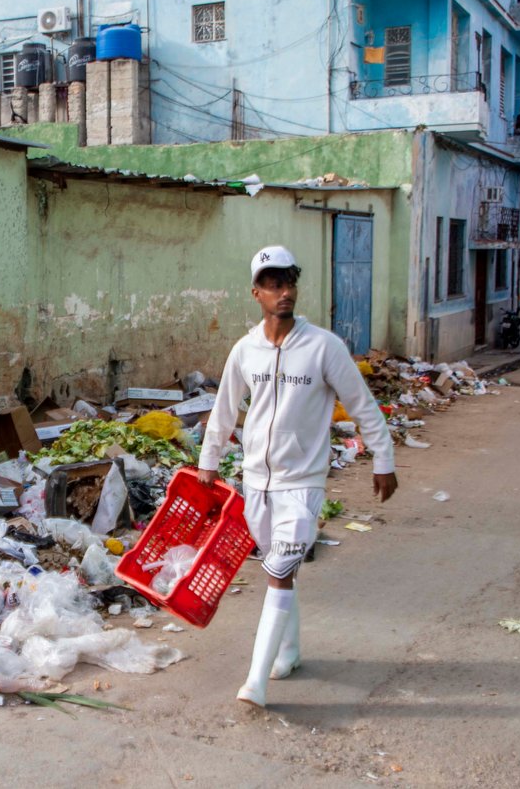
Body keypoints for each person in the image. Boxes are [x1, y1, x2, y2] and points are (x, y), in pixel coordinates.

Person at [198, 245, 398, 709]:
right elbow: (225, 409)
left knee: (279, 572)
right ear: (256, 292)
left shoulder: (324, 346)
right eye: (273, 284)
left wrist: (383, 459)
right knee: (277, 570)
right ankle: (288, 653)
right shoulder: (245, 350)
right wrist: (209, 461)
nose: (284, 291)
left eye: (290, 282)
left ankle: (256, 683)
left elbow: (363, 405)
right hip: (255, 485)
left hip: (303, 485)